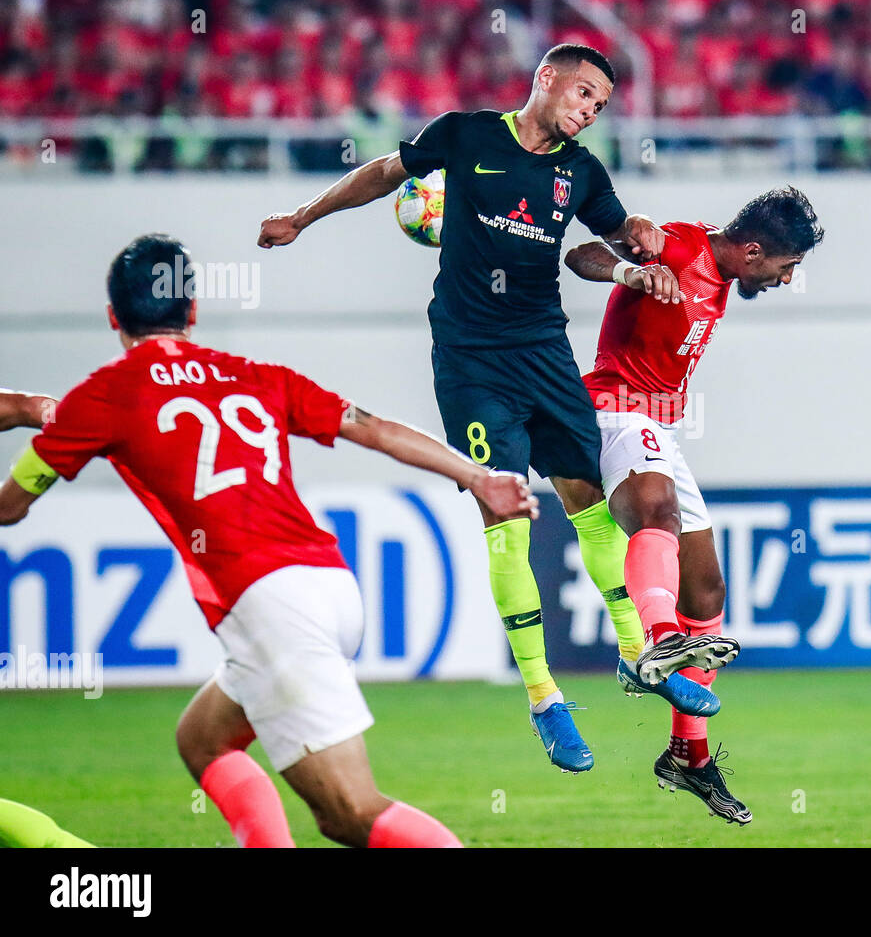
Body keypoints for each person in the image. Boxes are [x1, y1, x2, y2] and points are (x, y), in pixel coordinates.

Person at [256, 43, 732, 773]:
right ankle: (545, 700)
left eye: (599, 105)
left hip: (544, 353)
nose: (587, 109)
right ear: (546, 80)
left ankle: (640, 653)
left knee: (590, 505)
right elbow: (385, 174)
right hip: (473, 364)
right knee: (507, 515)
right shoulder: (467, 135)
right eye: (582, 93)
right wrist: (303, 214)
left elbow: (605, 240)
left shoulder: (581, 172)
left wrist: (636, 248)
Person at [0, 234, 538, 847]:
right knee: (202, 740)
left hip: (269, 605)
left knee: (350, 814)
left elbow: (9, 508)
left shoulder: (103, 395)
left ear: (112, 317)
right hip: (331, 585)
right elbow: (374, 428)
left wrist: (24, 412)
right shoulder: (253, 375)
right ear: (192, 311)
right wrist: (476, 476)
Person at [565, 186, 824, 823]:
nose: (787, 279)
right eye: (785, 266)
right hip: (613, 410)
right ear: (755, 250)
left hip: (660, 427)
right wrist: (630, 268)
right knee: (657, 515)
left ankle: (688, 755)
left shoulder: (719, 269)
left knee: (706, 594)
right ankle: (658, 642)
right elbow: (581, 255)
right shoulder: (676, 245)